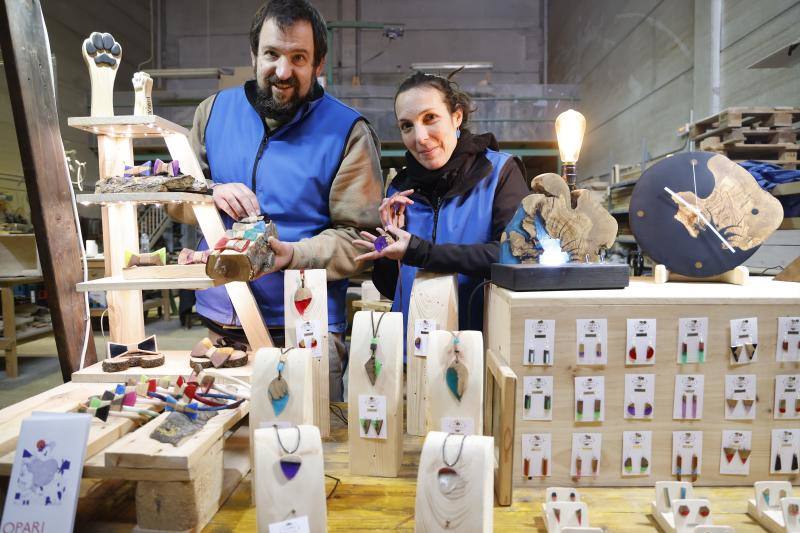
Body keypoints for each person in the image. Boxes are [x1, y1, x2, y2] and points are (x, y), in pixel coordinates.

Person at [180, 0, 383, 401]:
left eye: (299, 58)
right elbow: (175, 198)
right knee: (228, 449)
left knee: (309, 452)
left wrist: (294, 255)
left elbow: (362, 240)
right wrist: (207, 193)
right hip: (222, 325)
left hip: (305, 329)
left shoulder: (348, 132)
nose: (283, 71)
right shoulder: (213, 113)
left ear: (319, 64)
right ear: (254, 54)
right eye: (272, 54)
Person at [355, 71, 530, 333]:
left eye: (430, 118)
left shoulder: (500, 173)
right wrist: (385, 245)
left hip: (479, 352)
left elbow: (515, 255)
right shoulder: (399, 189)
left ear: (456, 116)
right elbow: (392, 287)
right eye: (407, 126)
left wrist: (417, 251)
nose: (420, 137)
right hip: (412, 355)